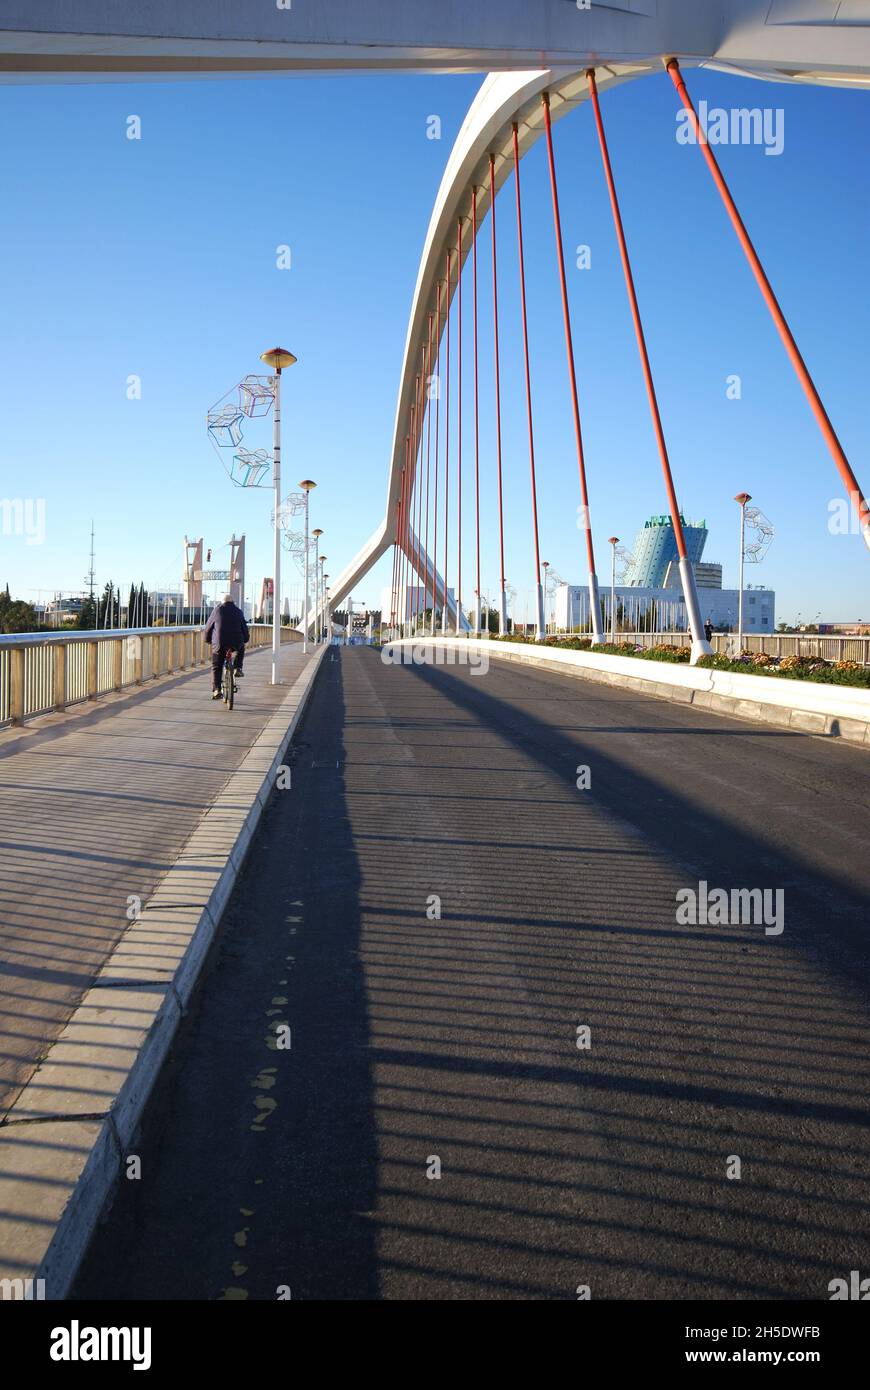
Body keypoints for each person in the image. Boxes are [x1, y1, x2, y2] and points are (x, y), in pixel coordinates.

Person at [204, 593, 249, 700]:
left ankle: (217, 690)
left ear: (222, 602)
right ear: (232, 602)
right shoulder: (238, 611)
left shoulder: (217, 610)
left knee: (217, 665)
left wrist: (207, 640)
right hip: (236, 641)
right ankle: (238, 667)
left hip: (220, 643)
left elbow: (208, 628)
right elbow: (244, 628)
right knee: (241, 647)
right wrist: (245, 639)